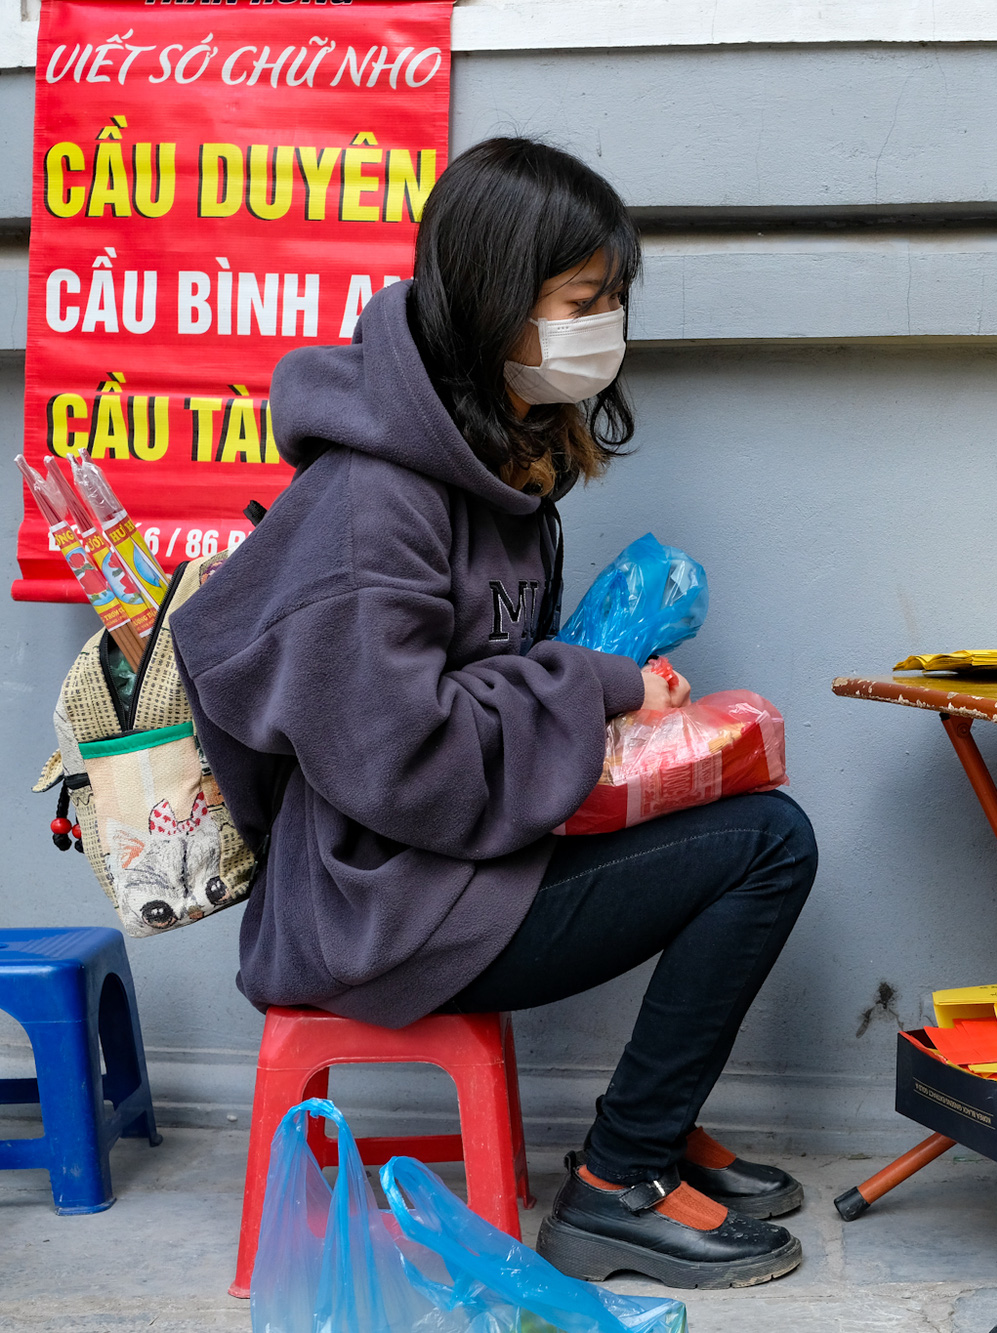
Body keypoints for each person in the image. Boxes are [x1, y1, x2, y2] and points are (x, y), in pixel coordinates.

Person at [174, 139, 817, 1291]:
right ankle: (619, 1180)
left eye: (613, 301)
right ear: (492, 304)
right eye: (581, 303)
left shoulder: (497, 463)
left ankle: (650, 1131)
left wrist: (605, 706)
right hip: (387, 904)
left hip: (452, 862)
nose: (604, 329)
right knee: (769, 848)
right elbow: (403, 756)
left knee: (745, 803)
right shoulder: (376, 501)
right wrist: (598, 689)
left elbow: (486, 684)